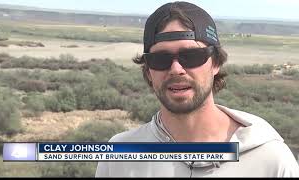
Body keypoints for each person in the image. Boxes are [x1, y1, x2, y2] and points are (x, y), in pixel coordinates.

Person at [95, 1, 299, 177]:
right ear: (148, 71)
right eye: (160, 59)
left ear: (216, 63)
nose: (176, 69)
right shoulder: (119, 158)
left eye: (191, 56)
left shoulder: (270, 160)